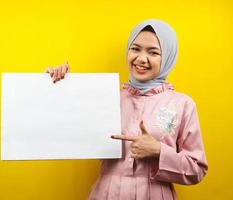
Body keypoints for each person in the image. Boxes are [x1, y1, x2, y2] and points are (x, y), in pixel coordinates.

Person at [45, 19, 208, 200]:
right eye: (135, 48)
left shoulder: (182, 104)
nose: (141, 58)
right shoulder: (107, 97)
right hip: (107, 194)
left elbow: (197, 170)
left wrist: (159, 151)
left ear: (168, 57)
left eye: (153, 52)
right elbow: (68, 126)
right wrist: (60, 85)